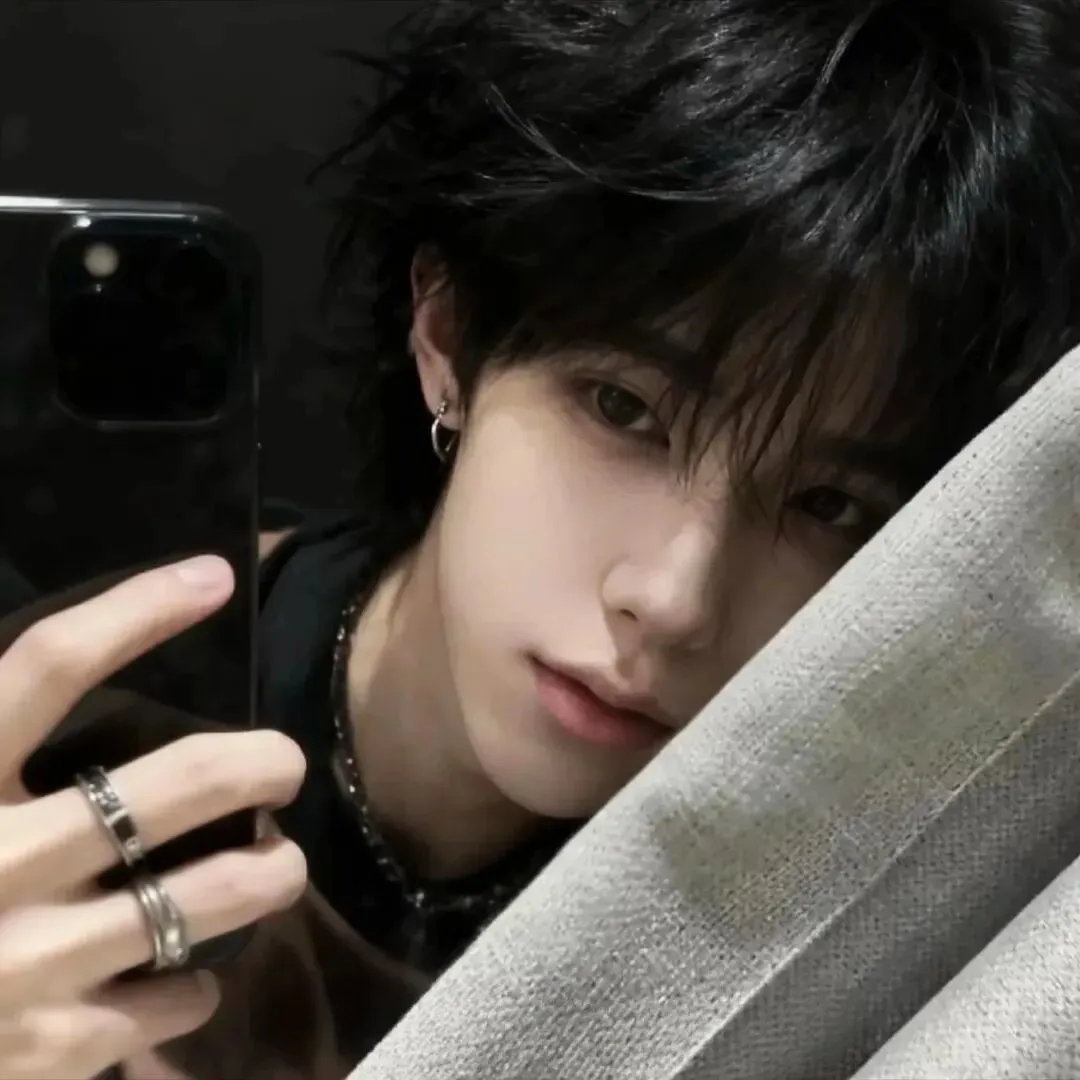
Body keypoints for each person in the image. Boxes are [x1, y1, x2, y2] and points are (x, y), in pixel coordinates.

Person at [3, 0, 1080, 1077]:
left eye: (828, 504)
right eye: (624, 409)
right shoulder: (50, 723)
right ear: (448, 331)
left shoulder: (817, 943)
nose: (674, 599)